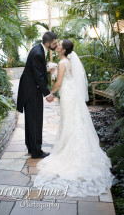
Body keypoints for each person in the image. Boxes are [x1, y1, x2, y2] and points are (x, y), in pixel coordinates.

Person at [33, 39, 115, 197]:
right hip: (70, 94)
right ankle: (73, 148)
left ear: (63, 50)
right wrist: (53, 70)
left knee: (70, 122)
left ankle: (71, 153)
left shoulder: (63, 62)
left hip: (68, 95)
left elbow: (58, 83)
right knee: (71, 121)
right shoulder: (65, 60)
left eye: (59, 45)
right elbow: (60, 77)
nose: (56, 46)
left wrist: (50, 94)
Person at [16, 32, 57, 159]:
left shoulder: (37, 49)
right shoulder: (39, 53)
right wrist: (47, 94)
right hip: (32, 91)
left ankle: (31, 147)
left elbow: (37, 70)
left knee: (31, 121)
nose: (56, 45)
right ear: (47, 43)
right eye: (54, 43)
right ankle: (36, 152)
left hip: (29, 90)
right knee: (35, 121)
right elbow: (38, 76)